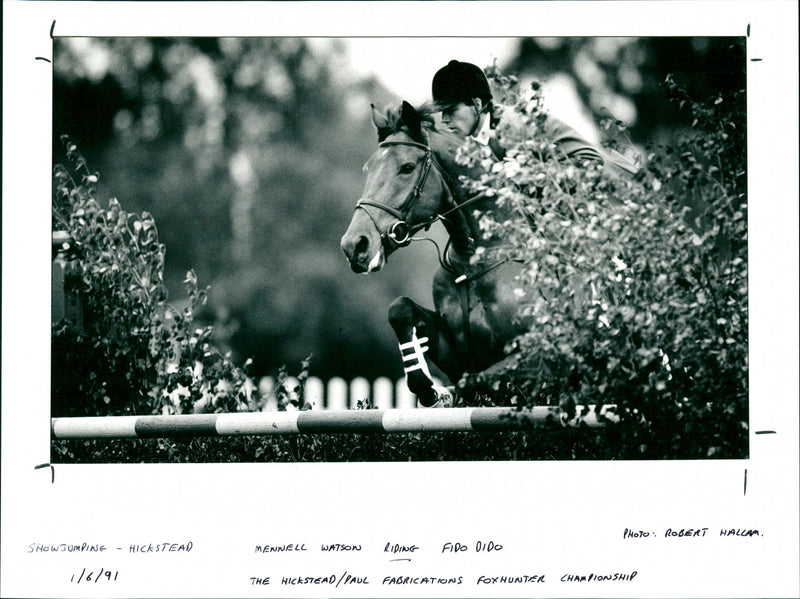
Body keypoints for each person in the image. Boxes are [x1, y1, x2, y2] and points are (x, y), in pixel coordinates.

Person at [430, 60, 638, 176]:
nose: (445, 119)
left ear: (476, 104)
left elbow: (589, 162)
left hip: (611, 186)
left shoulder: (513, 125)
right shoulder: (476, 139)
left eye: (450, 110)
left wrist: (526, 174)